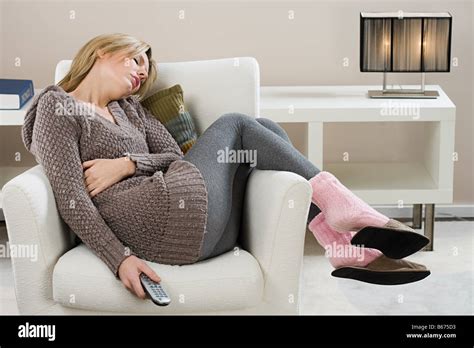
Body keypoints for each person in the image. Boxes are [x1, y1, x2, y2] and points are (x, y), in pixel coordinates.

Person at [21, 33, 431, 300]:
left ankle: (339, 243)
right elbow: (72, 201)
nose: (143, 73)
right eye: (136, 61)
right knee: (236, 123)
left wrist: (128, 163)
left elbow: (176, 161)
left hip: (202, 226)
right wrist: (119, 259)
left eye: (147, 68)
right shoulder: (58, 108)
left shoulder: (131, 111)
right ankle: (342, 223)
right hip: (160, 223)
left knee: (263, 129)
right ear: (102, 52)